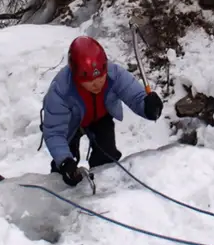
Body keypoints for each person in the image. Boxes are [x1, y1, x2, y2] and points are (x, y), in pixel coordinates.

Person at [41, 36, 163, 187]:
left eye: (100, 77)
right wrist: (64, 161)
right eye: (89, 81)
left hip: (100, 118)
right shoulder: (61, 90)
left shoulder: (114, 74)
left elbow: (135, 96)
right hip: (69, 124)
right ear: (77, 77)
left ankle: (103, 192)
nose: (97, 84)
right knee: (65, 169)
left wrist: (148, 107)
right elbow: (54, 132)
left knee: (107, 156)